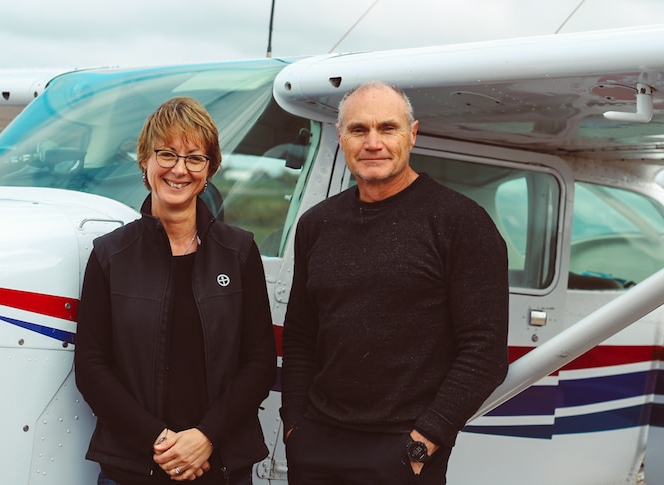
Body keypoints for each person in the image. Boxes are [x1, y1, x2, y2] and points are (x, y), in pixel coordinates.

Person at [280, 81, 510, 484]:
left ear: (413, 134)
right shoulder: (317, 224)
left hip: (402, 451)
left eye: (388, 128)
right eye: (358, 130)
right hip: (317, 442)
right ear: (341, 138)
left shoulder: (461, 223)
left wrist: (424, 442)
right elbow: (301, 335)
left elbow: (485, 354)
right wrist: (296, 425)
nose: (373, 143)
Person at [75, 96, 276, 484]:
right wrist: (158, 441)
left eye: (194, 158)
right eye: (166, 154)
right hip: (132, 467)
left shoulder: (239, 252)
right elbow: (91, 367)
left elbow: (259, 363)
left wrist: (206, 437)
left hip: (220, 466)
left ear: (209, 168)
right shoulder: (110, 256)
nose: (179, 170)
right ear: (145, 162)